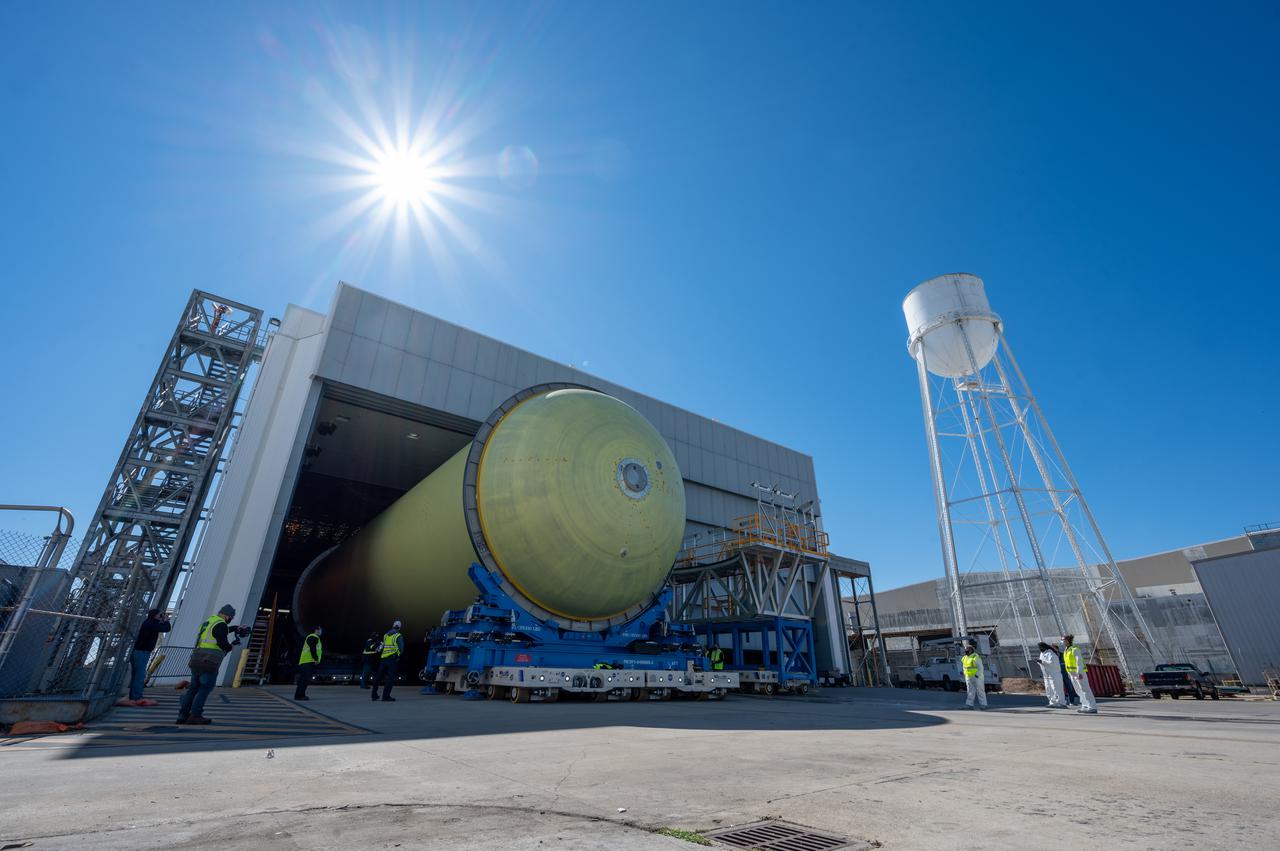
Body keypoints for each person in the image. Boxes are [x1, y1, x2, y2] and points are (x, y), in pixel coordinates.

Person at [177, 604, 240, 725]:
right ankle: (196, 715)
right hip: (209, 662)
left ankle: (182, 715)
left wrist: (235, 628)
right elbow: (222, 642)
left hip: (196, 659)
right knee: (204, 689)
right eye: (231, 617)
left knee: (193, 689)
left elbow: (218, 632)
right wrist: (231, 646)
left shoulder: (209, 622)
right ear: (227, 616)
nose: (230, 619)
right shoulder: (221, 624)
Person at [129, 609, 171, 701]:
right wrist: (166, 620)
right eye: (160, 615)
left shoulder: (148, 622)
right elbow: (166, 629)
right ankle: (136, 697)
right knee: (140, 675)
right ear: (155, 615)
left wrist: (162, 620)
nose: (162, 616)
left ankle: (133, 696)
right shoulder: (152, 624)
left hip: (139, 651)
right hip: (142, 652)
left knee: (136, 675)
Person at [1063, 634, 1098, 714]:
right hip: (1072, 673)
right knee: (1078, 690)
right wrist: (1069, 673)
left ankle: (1092, 707)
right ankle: (1085, 705)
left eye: (1064, 640)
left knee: (1085, 689)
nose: (1062, 642)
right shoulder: (1066, 650)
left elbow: (1079, 662)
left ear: (1068, 641)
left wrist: (1079, 672)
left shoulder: (1075, 649)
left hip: (1078, 673)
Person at [371, 620, 404, 702]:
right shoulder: (398, 635)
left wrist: (377, 650)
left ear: (393, 626)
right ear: (399, 627)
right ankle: (385, 697)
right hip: (392, 659)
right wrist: (397, 656)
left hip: (383, 659)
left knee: (378, 677)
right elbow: (401, 649)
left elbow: (382, 646)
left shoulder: (386, 635)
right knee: (390, 678)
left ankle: (374, 695)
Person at [294, 626, 323, 701]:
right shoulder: (313, 637)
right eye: (320, 630)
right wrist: (316, 658)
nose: (321, 632)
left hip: (306, 661)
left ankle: (299, 695)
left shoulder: (312, 637)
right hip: (307, 661)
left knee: (303, 679)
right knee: (304, 680)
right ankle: (300, 695)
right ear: (316, 630)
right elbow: (312, 649)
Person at [1036, 642, 1068, 708]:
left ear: (1044, 647)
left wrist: (1042, 662)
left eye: (1041, 647)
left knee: (1057, 689)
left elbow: (1052, 664)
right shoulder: (1042, 654)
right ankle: (1053, 702)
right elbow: (1043, 664)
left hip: (1054, 675)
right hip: (1047, 675)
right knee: (1049, 689)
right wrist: (1039, 662)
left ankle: (1062, 703)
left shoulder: (1051, 654)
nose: (1040, 649)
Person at [961, 644, 987, 710]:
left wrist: (977, 675)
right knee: (970, 691)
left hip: (977, 677)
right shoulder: (965, 658)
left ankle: (983, 704)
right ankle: (969, 705)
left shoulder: (975, 657)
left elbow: (980, 667)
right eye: (965, 649)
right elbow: (964, 667)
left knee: (980, 691)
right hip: (969, 677)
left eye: (967, 650)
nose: (965, 651)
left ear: (971, 650)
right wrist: (965, 674)